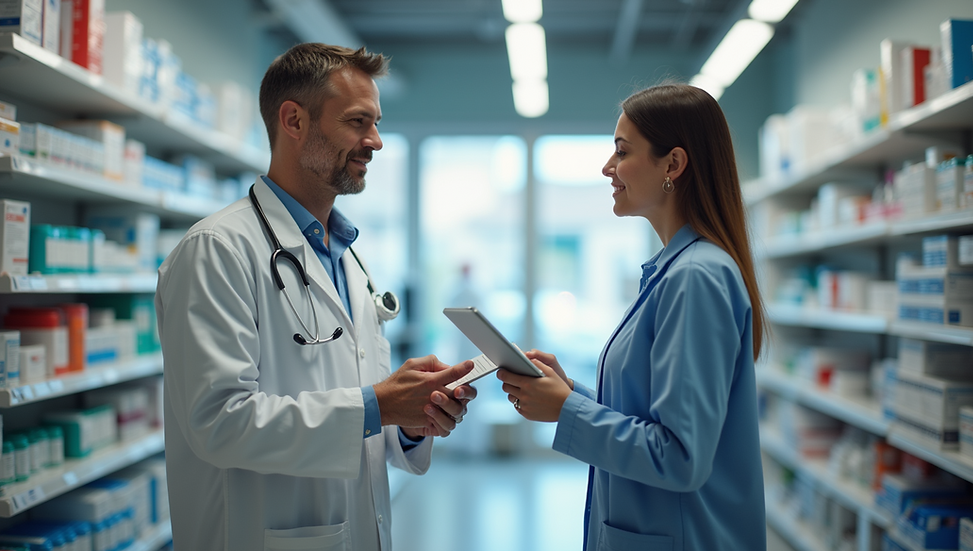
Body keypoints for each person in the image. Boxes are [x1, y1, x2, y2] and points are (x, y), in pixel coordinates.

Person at [155, 43, 477, 551]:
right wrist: (378, 404)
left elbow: (360, 412)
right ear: (294, 121)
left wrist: (410, 417)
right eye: (357, 122)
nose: (375, 141)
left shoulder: (345, 255)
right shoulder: (217, 249)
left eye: (376, 123)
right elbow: (218, 423)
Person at [497, 83, 768, 550]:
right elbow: (649, 415)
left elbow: (679, 457)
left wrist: (566, 410)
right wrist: (571, 395)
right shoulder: (673, 270)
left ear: (673, 164)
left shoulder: (696, 276)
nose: (608, 167)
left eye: (622, 151)